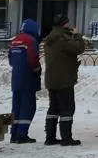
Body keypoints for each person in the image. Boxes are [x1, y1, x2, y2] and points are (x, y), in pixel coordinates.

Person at [41, 18, 92, 146]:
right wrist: (77, 35)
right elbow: (79, 48)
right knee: (67, 109)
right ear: (64, 24)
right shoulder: (62, 38)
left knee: (54, 108)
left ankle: (50, 137)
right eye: (68, 22)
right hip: (64, 79)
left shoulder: (50, 37)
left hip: (52, 79)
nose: (71, 24)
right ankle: (66, 138)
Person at [7, 17, 42, 144]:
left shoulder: (14, 40)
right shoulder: (31, 41)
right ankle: (22, 134)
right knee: (28, 106)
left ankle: (14, 134)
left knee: (16, 106)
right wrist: (37, 70)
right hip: (27, 78)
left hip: (15, 78)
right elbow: (33, 59)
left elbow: (10, 60)